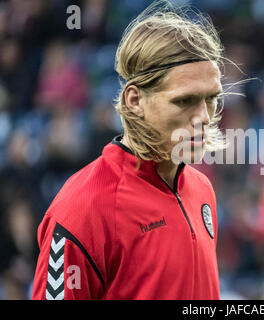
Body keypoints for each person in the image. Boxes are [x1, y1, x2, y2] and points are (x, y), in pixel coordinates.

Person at [32, 3, 227, 300]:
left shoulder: (202, 191)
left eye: (211, 99)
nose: (204, 117)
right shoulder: (82, 208)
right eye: (185, 101)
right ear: (135, 100)